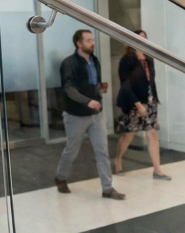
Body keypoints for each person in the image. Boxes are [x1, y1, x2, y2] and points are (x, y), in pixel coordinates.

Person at [54, 29, 125, 200]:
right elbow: (68, 88)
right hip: (76, 115)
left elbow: (92, 83)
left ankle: (107, 188)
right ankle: (61, 177)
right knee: (72, 150)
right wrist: (87, 101)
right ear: (79, 43)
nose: (92, 43)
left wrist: (100, 89)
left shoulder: (95, 61)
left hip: (96, 114)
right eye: (88, 40)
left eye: (92, 40)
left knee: (102, 151)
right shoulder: (69, 63)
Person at [114, 30, 170, 181]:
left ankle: (157, 170)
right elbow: (125, 85)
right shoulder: (127, 60)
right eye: (139, 38)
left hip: (150, 101)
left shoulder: (149, 59)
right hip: (133, 102)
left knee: (152, 134)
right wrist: (138, 104)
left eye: (145, 38)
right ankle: (118, 160)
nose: (142, 41)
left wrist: (153, 101)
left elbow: (151, 81)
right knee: (128, 135)